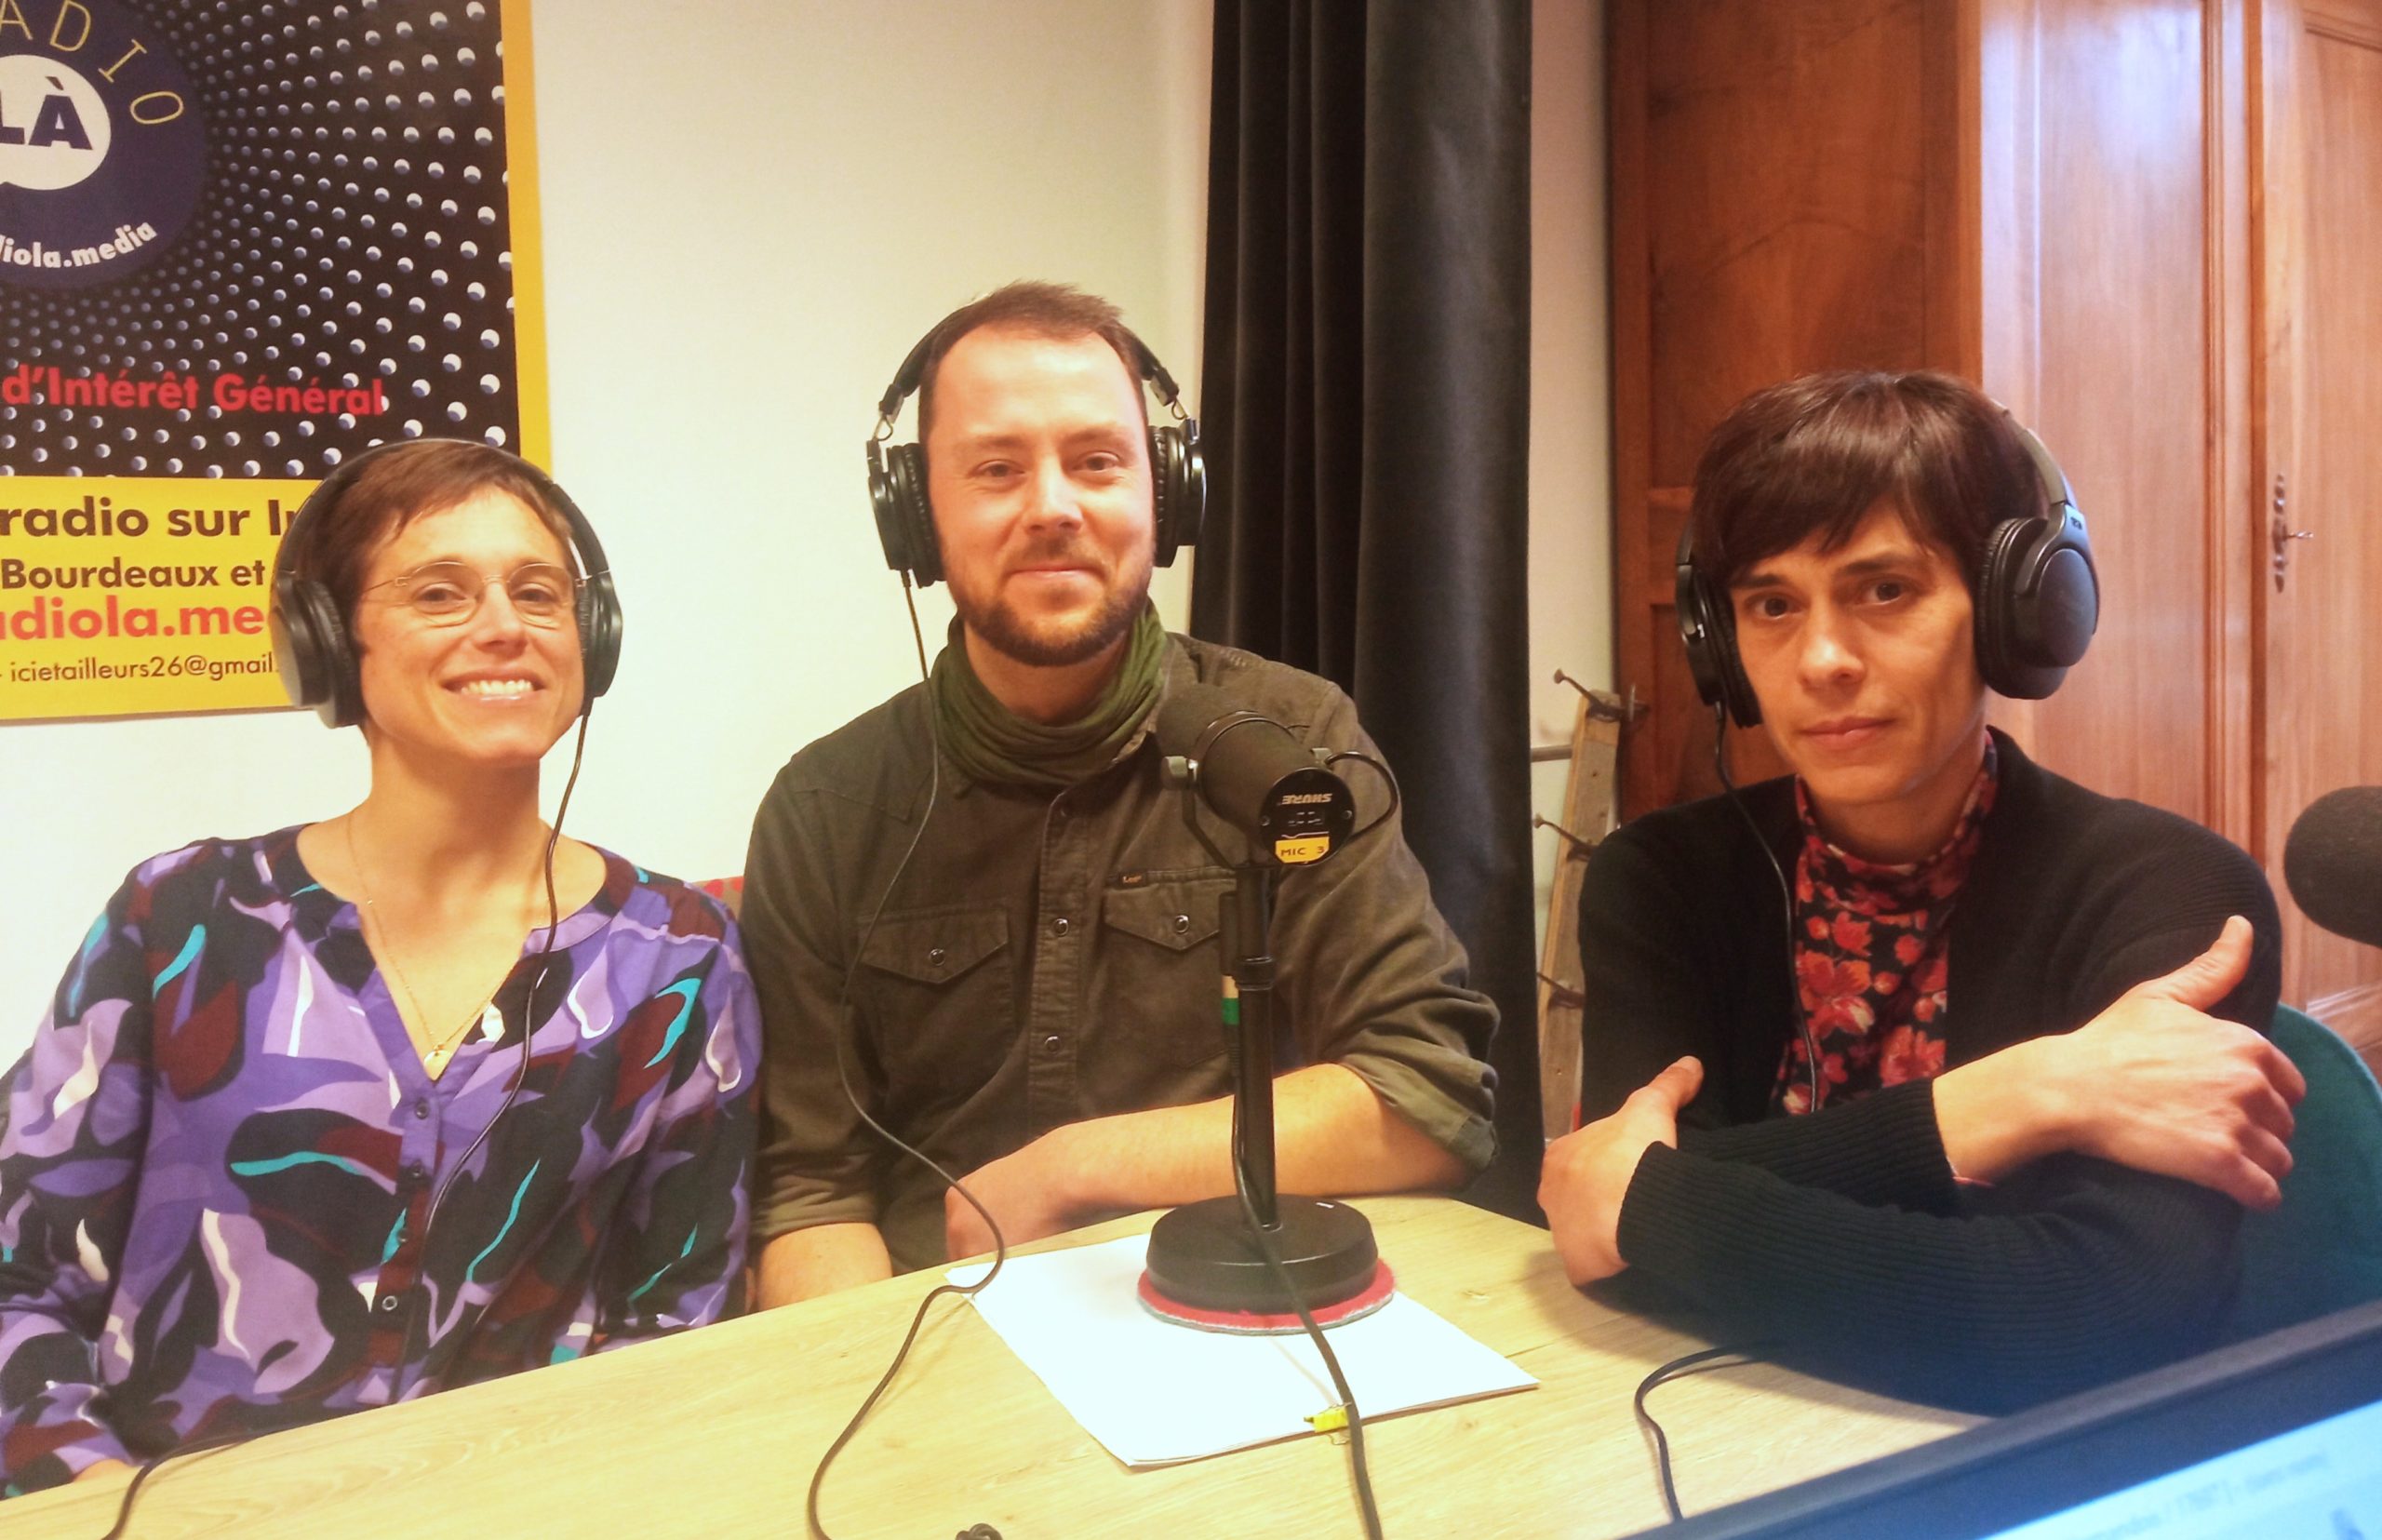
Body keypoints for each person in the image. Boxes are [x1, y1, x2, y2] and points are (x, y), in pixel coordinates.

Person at [0, 440, 756, 1497]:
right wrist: (102, 1501)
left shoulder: (678, 956)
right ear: (326, 643)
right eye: (438, 591)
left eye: (538, 591)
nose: (504, 625)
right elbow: (19, 1278)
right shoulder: (181, 917)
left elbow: (676, 1319)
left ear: (593, 637)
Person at [1542, 370, 2304, 1413]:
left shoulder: (2172, 894)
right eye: (1770, 604)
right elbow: (1615, 1232)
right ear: (1719, 643)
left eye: (1884, 590)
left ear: (2014, 612)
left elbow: (2100, 1315)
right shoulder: (1662, 878)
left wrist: (1688, 1210)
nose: (1820, 659)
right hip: (1741, 1433)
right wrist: (2028, 1093)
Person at [743, 282, 1496, 1304]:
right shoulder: (824, 808)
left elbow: (1426, 1095)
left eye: (1097, 461)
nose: (1053, 506)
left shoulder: (1292, 744)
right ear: (917, 514)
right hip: (935, 1337)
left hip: (1233, 1311)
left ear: (1166, 491)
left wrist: (1075, 1164)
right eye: (996, 469)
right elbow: (812, 1190)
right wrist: (882, 1415)